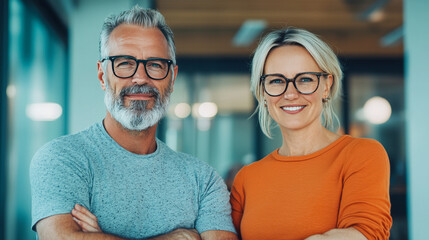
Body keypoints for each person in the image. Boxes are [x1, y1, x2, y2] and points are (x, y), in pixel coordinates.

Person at [30, 6, 237, 240]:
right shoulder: (63, 158)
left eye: (156, 64)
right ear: (102, 76)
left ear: (172, 77)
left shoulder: (203, 179)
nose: (140, 77)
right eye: (125, 63)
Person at [230, 28, 392, 240]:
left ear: (326, 86)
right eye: (276, 81)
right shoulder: (247, 178)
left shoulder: (362, 154)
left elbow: (366, 234)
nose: (290, 93)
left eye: (305, 79)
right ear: (262, 91)